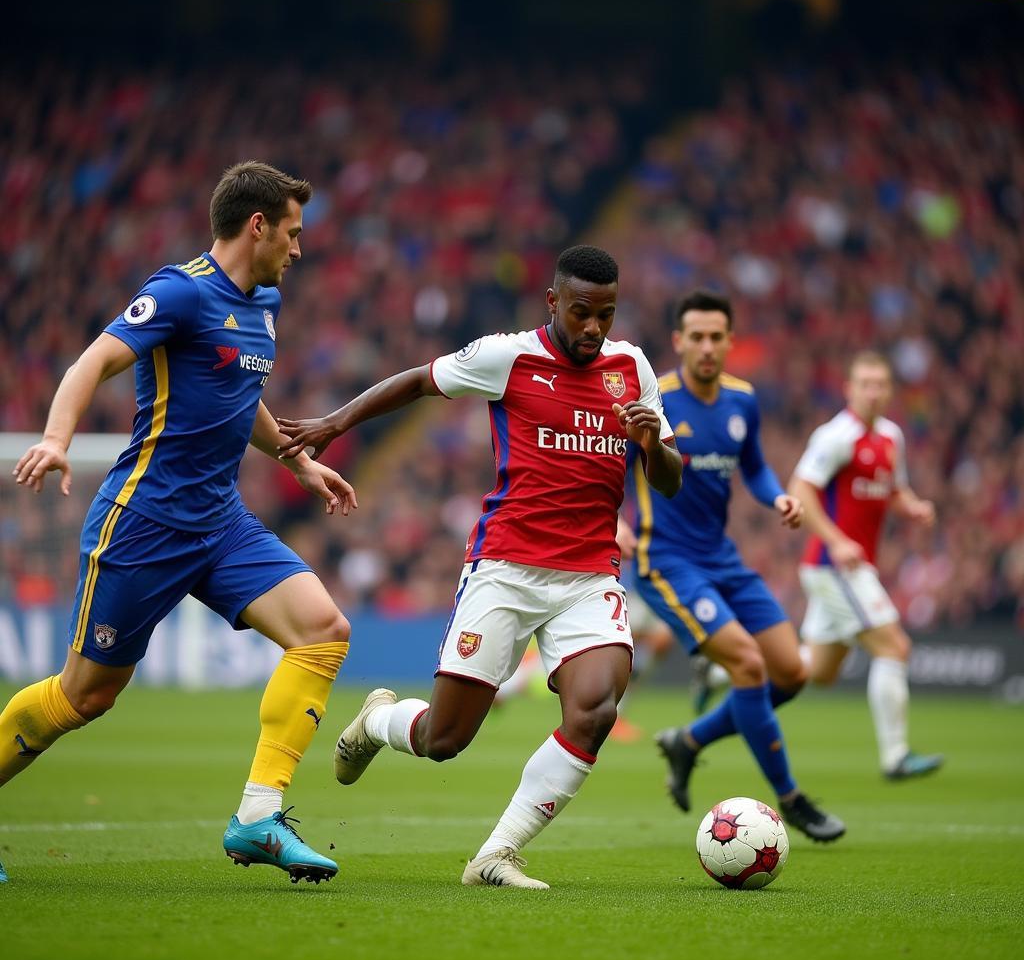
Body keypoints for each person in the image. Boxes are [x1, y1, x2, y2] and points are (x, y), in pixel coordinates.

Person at [277, 245, 682, 889]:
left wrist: (652, 444)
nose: (593, 328)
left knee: (595, 710)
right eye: (581, 312)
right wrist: (336, 421)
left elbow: (669, 480)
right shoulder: (508, 356)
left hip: (588, 578)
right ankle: (379, 720)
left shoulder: (632, 369)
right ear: (553, 302)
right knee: (444, 740)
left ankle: (495, 855)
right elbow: (417, 380)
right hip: (505, 568)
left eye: (605, 314)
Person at [3, 161, 356, 885]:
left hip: (220, 522)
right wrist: (55, 439)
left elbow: (239, 390)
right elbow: (91, 362)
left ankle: (258, 817)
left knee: (323, 631)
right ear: (256, 225)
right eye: (292, 233)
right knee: (84, 696)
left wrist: (297, 463)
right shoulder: (179, 292)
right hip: (144, 522)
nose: (299, 248)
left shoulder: (264, 303)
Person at [626, 289, 845, 842]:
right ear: (678, 342)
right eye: (694, 337)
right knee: (748, 666)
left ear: (729, 342)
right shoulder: (655, 401)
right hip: (667, 561)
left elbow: (756, 467)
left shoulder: (743, 401)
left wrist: (777, 499)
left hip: (723, 557)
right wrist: (614, 526)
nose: (705, 347)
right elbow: (609, 470)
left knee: (792, 673)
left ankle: (689, 740)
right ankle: (791, 799)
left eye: (715, 337)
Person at [788, 351, 943, 780]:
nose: (873, 392)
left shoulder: (892, 436)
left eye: (880, 384)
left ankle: (725, 669)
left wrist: (912, 507)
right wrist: (837, 541)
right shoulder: (836, 436)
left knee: (816, 672)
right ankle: (896, 757)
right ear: (849, 389)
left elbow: (894, 489)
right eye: (865, 384)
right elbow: (800, 488)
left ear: (890, 390)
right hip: (833, 565)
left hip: (848, 566)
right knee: (895, 647)